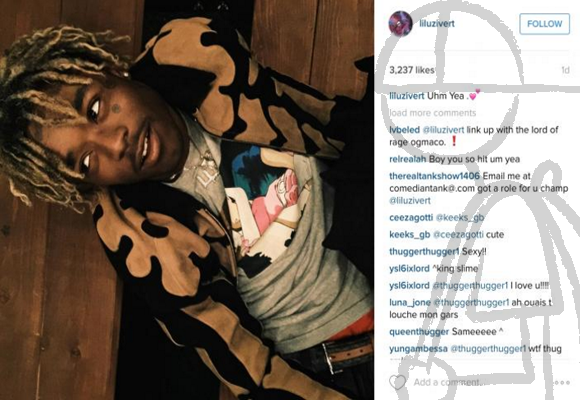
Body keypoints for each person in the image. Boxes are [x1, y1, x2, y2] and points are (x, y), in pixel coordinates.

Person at [0, 15, 373, 399]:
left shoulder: (191, 57)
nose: (114, 143)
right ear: (89, 184)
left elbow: (323, 118)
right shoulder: (137, 236)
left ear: (108, 71)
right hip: (348, 365)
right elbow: (241, 362)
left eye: (96, 109)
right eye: (86, 161)